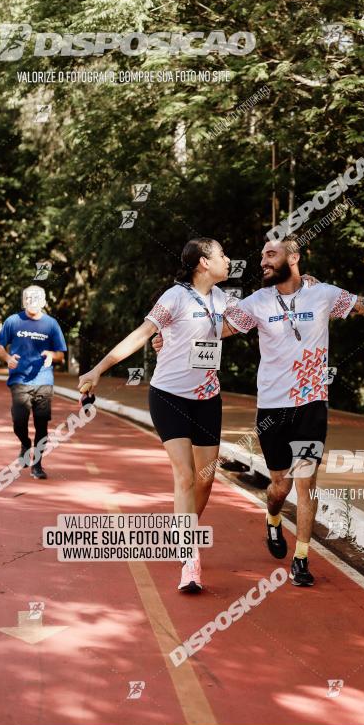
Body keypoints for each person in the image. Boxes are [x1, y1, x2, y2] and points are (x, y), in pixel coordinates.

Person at [219, 235, 364, 587]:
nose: (263, 261)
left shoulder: (323, 293)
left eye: (271, 254)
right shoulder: (257, 302)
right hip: (272, 409)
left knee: (307, 483)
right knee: (279, 487)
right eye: (262, 255)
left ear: (293, 257)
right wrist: (172, 335)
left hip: (311, 405)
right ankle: (273, 517)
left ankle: (301, 558)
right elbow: (219, 328)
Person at [78, 238, 233, 594]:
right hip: (169, 397)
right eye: (221, 255)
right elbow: (143, 333)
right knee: (185, 476)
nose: (228, 260)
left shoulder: (223, 299)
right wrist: (99, 369)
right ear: (203, 263)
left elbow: (248, 318)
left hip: (208, 398)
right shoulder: (174, 298)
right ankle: (189, 558)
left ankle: (184, 530)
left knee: (206, 479)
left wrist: (304, 289)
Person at [0, 285, 67, 480]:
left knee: (41, 425)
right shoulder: (13, 321)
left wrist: (52, 355)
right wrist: (7, 358)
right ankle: (25, 444)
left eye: (36, 298)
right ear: (23, 300)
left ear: (43, 302)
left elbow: (61, 354)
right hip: (19, 380)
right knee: (19, 422)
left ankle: (37, 464)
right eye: (28, 298)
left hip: (44, 381)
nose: (32, 301)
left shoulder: (51, 325)